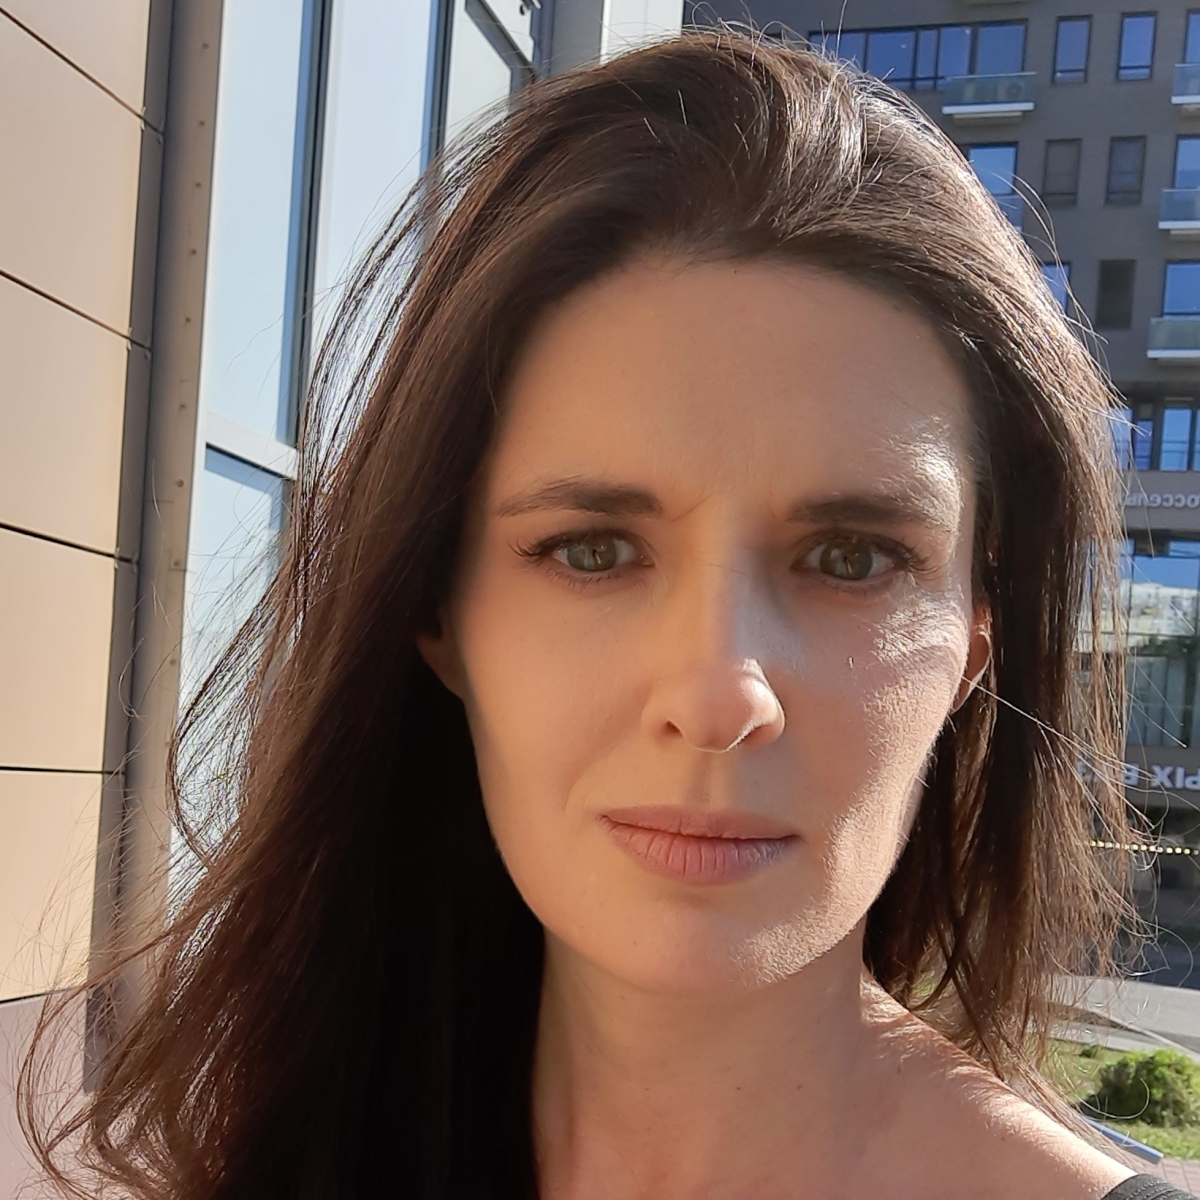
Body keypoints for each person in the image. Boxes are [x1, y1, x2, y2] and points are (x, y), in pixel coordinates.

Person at [24, 27, 1189, 1200]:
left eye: (850, 558)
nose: (719, 693)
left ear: (975, 640)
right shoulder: (275, 1149)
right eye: (592, 550)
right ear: (438, 612)